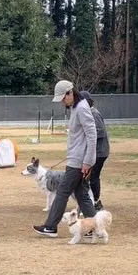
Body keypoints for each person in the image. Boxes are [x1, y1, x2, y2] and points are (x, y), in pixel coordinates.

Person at [33, 80, 96, 237]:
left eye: (63, 98)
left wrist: (88, 161)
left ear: (70, 93)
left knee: (62, 191)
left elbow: (92, 134)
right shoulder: (76, 107)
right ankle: (92, 228)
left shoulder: (81, 108)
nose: (62, 102)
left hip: (79, 161)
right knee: (81, 194)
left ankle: (51, 227)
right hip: (76, 159)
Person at [80, 91, 109, 209]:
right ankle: (92, 200)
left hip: (100, 152)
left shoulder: (94, 114)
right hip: (96, 151)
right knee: (91, 177)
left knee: (93, 177)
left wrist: (87, 138)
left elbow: (100, 132)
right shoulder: (89, 113)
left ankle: (95, 201)